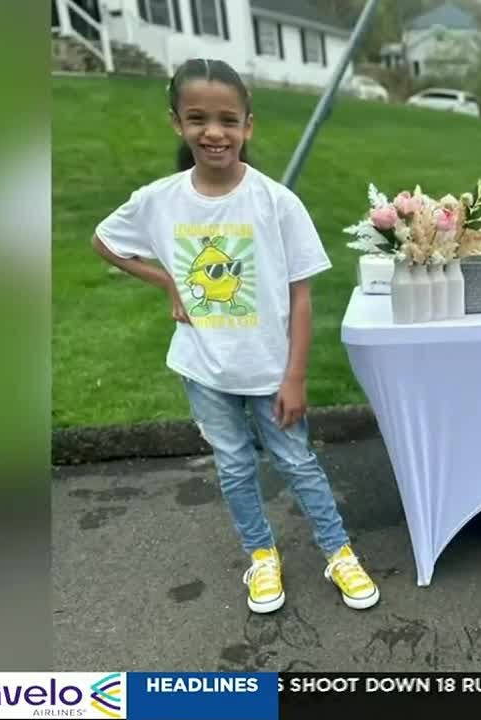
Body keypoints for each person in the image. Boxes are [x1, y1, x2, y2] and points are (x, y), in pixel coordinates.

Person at [91, 58, 379, 614]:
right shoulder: (160, 200)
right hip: (204, 368)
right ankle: (262, 555)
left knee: (297, 463)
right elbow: (106, 241)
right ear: (177, 123)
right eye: (197, 118)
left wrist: (294, 376)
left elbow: (300, 295)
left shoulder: (276, 202)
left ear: (248, 125)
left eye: (227, 119)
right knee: (234, 465)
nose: (213, 132)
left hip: (270, 370)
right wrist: (167, 279)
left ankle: (337, 550)